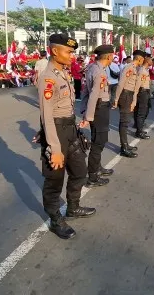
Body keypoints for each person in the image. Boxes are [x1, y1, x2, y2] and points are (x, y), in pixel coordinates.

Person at [37, 33, 95, 239]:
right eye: (69, 51)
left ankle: (73, 207)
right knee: (55, 179)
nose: (72, 56)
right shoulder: (48, 77)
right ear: (54, 51)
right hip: (57, 132)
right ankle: (55, 219)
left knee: (80, 171)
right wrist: (53, 147)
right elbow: (47, 114)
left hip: (70, 129)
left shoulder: (64, 73)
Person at [80, 45, 115, 188]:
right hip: (99, 109)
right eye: (112, 55)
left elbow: (85, 92)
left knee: (99, 139)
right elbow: (93, 94)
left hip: (100, 107)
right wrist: (88, 116)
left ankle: (97, 168)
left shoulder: (94, 68)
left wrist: (83, 109)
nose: (113, 57)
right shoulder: (98, 71)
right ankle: (92, 176)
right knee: (99, 142)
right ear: (108, 56)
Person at [114, 50, 143, 158]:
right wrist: (116, 98)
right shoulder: (129, 67)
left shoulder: (135, 68)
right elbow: (121, 83)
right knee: (124, 122)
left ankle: (125, 144)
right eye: (142, 59)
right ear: (139, 59)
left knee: (126, 121)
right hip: (125, 95)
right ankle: (123, 147)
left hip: (129, 94)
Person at [134, 55, 152, 139]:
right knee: (141, 112)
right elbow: (138, 83)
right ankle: (139, 131)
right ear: (147, 62)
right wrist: (135, 94)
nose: (152, 62)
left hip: (145, 91)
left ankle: (139, 129)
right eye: (151, 60)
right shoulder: (142, 71)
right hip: (142, 92)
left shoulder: (145, 70)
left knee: (142, 111)